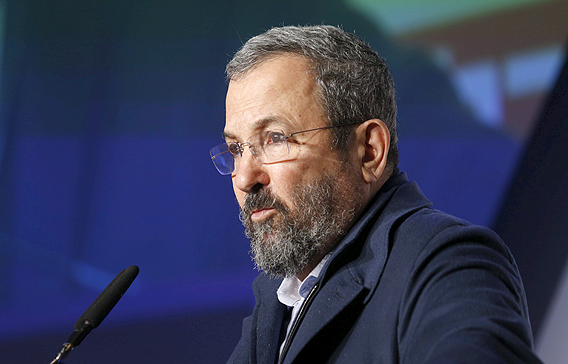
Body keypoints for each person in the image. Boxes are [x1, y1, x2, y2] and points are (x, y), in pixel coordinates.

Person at [210, 25, 542, 363]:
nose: (245, 178)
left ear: (369, 151)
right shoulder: (277, 302)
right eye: (237, 148)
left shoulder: (449, 263)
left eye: (275, 138)